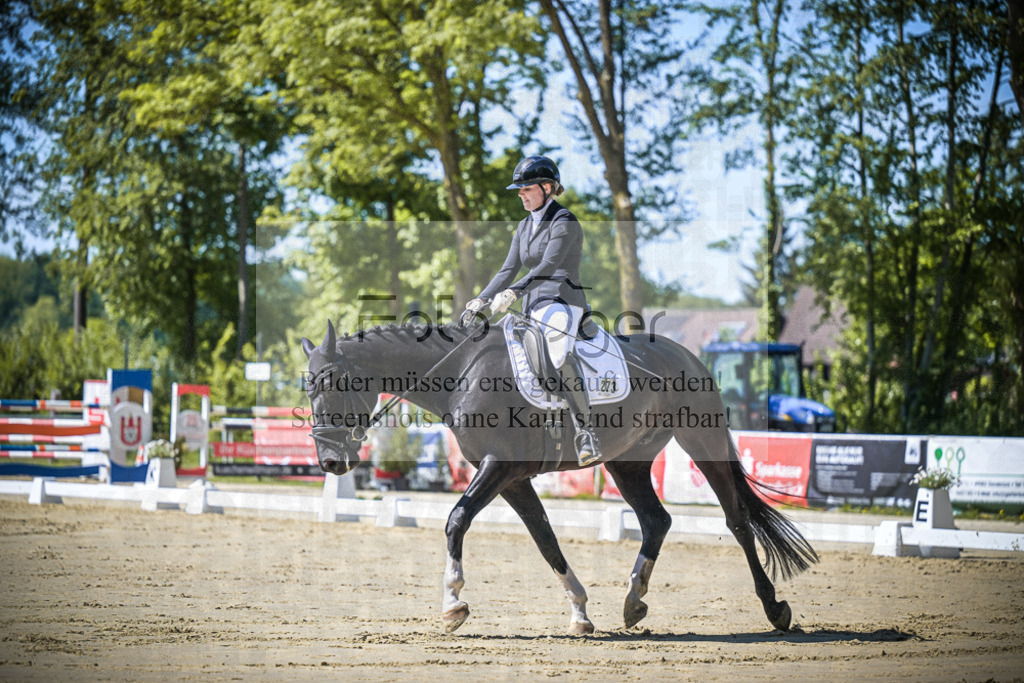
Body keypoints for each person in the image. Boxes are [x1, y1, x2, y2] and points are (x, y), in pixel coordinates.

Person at [460, 155, 601, 467]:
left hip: (562, 303)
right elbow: (507, 268)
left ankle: (586, 432)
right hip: (531, 305)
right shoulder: (524, 227)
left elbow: (549, 265)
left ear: (547, 188)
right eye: (519, 189)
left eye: (526, 189)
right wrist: (481, 300)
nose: (520, 194)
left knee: (560, 354)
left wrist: (512, 292)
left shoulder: (564, 222)